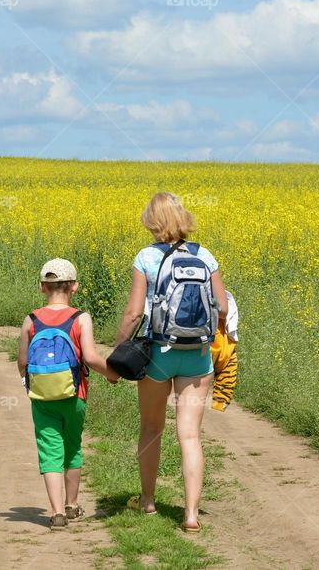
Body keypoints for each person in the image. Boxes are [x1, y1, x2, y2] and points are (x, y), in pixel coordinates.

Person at [115, 193, 228, 532]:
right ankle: (191, 515)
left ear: (152, 221)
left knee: (151, 429)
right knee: (190, 435)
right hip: (197, 356)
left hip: (158, 354)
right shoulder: (204, 255)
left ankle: (148, 502)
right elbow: (221, 307)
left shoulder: (146, 257)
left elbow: (135, 312)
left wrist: (118, 351)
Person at [17, 258, 119, 530]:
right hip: (75, 395)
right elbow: (91, 357)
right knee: (72, 447)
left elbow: (22, 362)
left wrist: (27, 382)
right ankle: (72, 505)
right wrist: (111, 373)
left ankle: (56, 512)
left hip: (42, 398)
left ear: (42, 287)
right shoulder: (80, 318)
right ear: (74, 287)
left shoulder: (31, 319)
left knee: (50, 450)